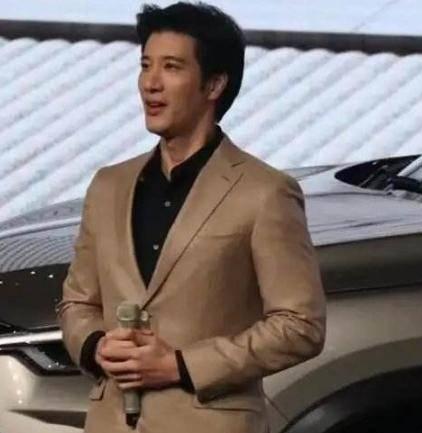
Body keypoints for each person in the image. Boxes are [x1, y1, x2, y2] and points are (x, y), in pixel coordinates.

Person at [57, 3, 326, 433]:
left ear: (214, 84)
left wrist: (180, 365)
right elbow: (78, 302)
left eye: (171, 67)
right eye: (145, 65)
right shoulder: (108, 186)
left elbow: (300, 326)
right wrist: (96, 346)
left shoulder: (265, 191)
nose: (151, 83)